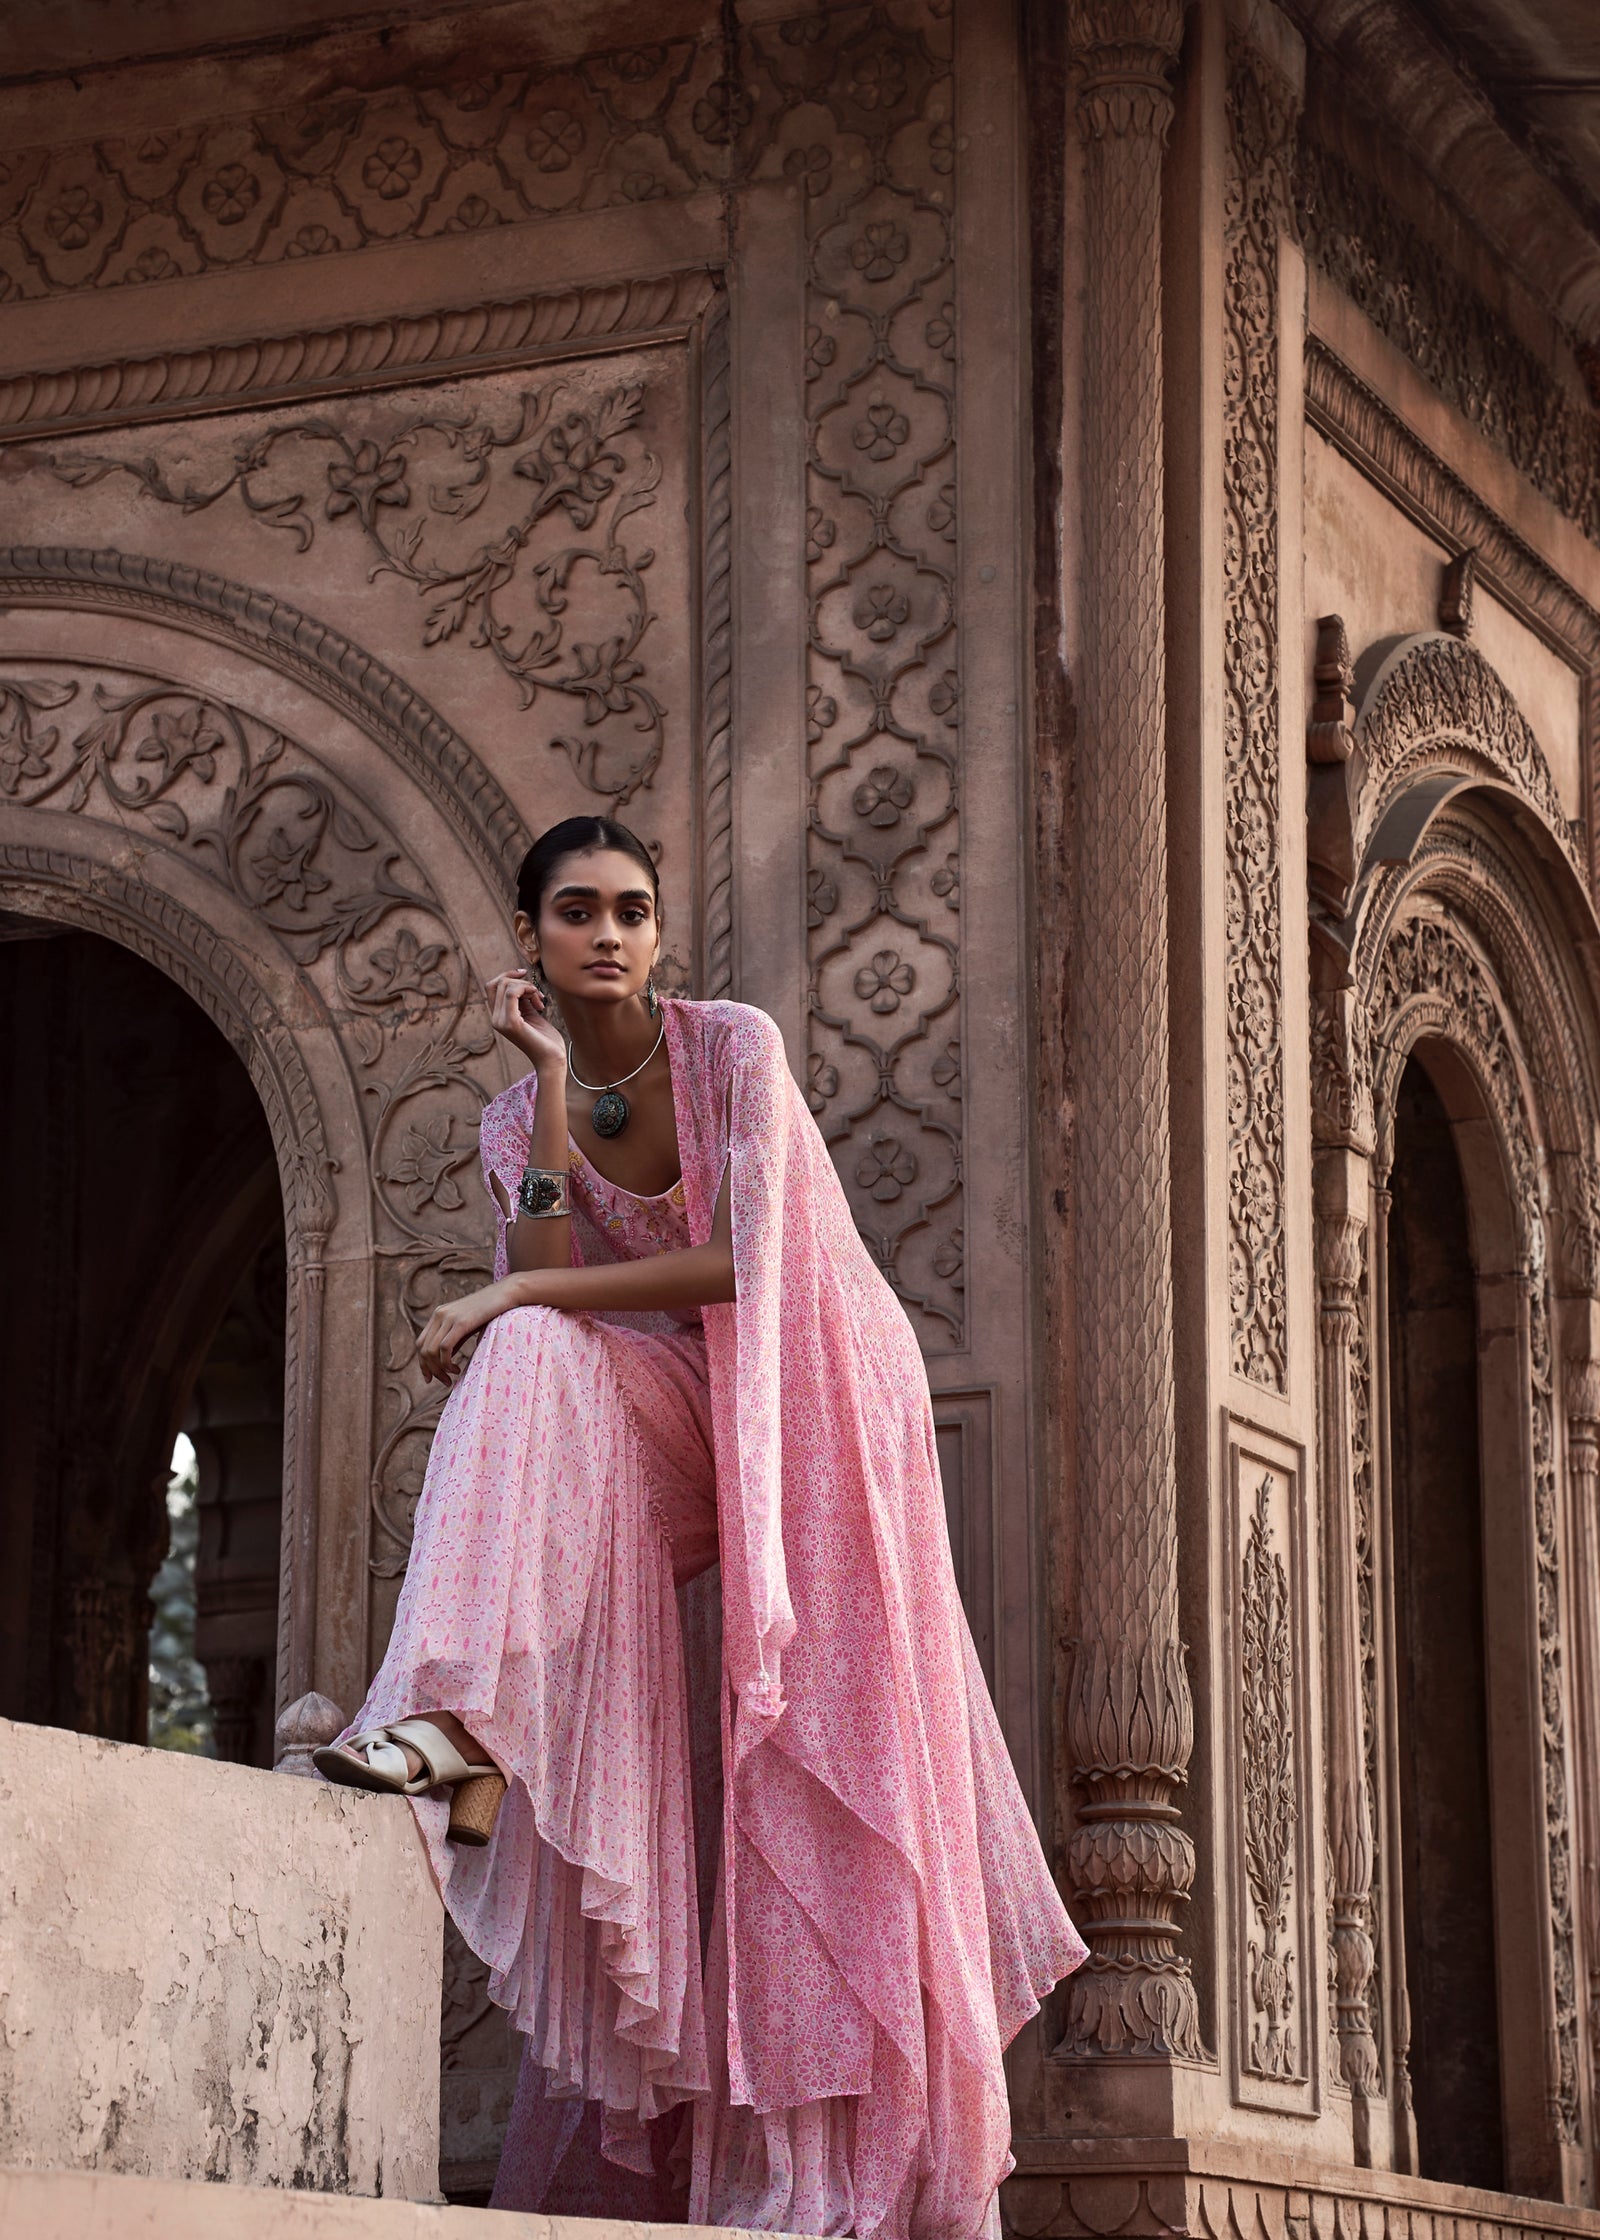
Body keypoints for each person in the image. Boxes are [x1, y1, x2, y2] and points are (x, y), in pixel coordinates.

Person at [316, 814, 1084, 2239]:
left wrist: (512, 1296)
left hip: (815, 1386)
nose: (608, 934)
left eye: (631, 911)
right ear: (532, 941)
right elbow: (544, 1268)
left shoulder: (732, 1048)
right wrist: (549, 1090)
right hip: (678, 1390)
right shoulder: (515, 1115)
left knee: (804, 1761)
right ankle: (452, 1736)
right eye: (575, 913)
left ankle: (821, 2177)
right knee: (528, 1358)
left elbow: (752, 1261)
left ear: (659, 932)